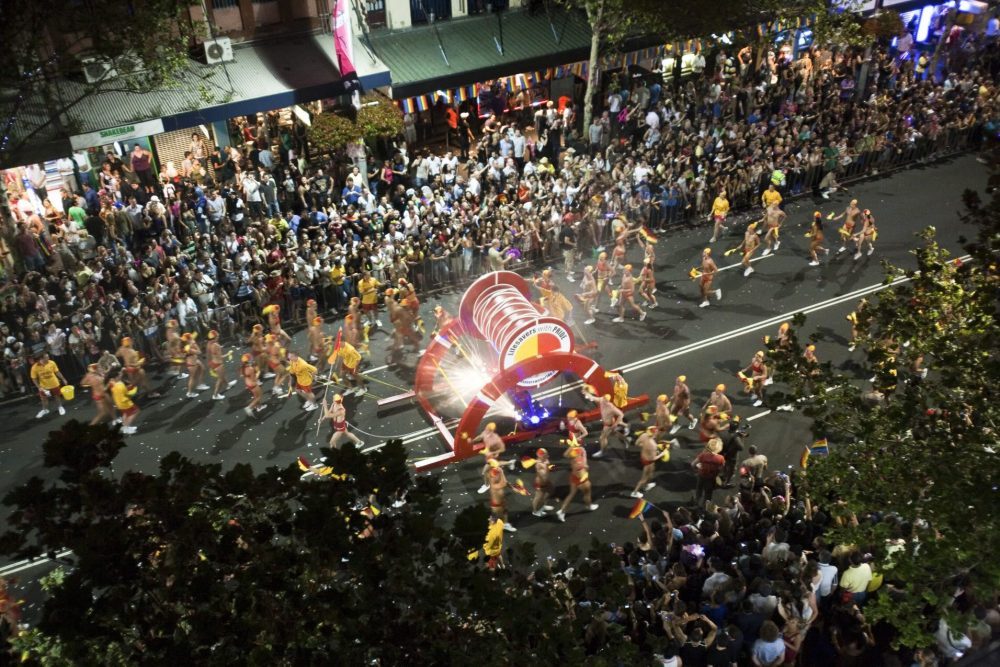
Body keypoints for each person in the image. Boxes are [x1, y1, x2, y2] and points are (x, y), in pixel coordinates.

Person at [555, 443, 598, 522]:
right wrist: (575, 448)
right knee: (587, 492)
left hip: (574, 477)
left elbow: (582, 462)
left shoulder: (577, 452)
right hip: (581, 479)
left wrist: (583, 454)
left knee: (571, 494)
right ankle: (589, 506)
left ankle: (562, 511)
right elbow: (566, 455)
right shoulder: (575, 456)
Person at [631, 426, 673, 498]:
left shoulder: (644, 435)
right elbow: (653, 459)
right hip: (648, 461)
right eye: (656, 432)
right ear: (654, 434)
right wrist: (662, 454)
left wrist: (645, 446)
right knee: (644, 479)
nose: (657, 433)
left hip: (643, 456)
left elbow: (636, 443)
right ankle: (634, 492)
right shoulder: (653, 445)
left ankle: (647, 485)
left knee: (651, 472)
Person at [474, 422, 515, 493]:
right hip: (489, 456)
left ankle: (487, 485)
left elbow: (502, 449)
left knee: (485, 471)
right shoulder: (485, 433)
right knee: (495, 466)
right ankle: (510, 463)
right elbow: (480, 437)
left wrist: (493, 453)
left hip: (493, 456)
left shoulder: (495, 439)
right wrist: (472, 441)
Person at [30, 352, 67, 419]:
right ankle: (45, 410)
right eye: (46, 357)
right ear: (41, 359)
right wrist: (39, 387)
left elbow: (57, 372)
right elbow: (34, 379)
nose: (48, 358)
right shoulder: (34, 367)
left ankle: (60, 407)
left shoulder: (52, 363)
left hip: (54, 384)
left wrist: (63, 379)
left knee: (57, 397)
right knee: (44, 399)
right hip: (44, 387)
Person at [205, 330, 236, 400]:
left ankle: (228, 385)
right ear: (215, 337)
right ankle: (215, 395)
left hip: (213, 362)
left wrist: (209, 363)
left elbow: (208, 354)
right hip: (218, 364)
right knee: (220, 379)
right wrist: (228, 354)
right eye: (217, 336)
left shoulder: (208, 344)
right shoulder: (216, 345)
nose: (218, 337)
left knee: (222, 376)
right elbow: (220, 357)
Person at [594, 393, 627, 458]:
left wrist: (616, 424)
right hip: (608, 423)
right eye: (603, 399)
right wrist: (586, 393)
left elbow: (621, 414)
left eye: (605, 400)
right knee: (614, 433)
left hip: (608, 425)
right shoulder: (601, 400)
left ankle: (602, 452)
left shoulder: (611, 408)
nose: (603, 400)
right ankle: (627, 440)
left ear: (607, 401)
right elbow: (594, 398)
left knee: (602, 438)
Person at [693, 437, 724, 505]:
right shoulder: (720, 458)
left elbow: (693, 464)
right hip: (711, 478)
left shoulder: (703, 455)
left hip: (701, 475)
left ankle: (696, 501)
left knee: (699, 489)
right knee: (708, 493)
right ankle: (704, 506)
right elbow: (721, 469)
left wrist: (698, 468)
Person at [487, 460, 516, 533]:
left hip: (501, 501)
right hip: (496, 505)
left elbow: (506, 483)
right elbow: (504, 483)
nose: (497, 476)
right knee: (497, 517)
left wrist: (512, 487)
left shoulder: (496, 476)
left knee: (505, 511)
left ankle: (505, 524)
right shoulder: (493, 484)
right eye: (496, 476)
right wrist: (502, 472)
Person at [108, 370, 140, 434]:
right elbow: (127, 393)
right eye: (119, 375)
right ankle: (126, 428)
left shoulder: (111, 384)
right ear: (116, 377)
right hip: (125, 403)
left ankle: (124, 427)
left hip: (119, 403)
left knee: (125, 414)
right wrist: (134, 389)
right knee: (136, 412)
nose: (120, 375)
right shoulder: (120, 385)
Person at [182, 333, 210, 399]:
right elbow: (199, 352)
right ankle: (189, 392)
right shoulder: (188, 348)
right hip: (191, 363)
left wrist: (193, 344)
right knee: (193, 378)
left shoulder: (188, 345)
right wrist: (194, 345)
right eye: (191, 338)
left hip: (195, 360)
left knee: (203, 369)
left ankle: (200, 384)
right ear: (188, 340)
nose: (192, 339)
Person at [530, 448, 556, 518]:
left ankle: (543, 505)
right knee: (538, 497)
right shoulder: (539, 464)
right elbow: (544, 475)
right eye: (546, 454)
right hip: (540, 484)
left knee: (551, 490)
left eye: (547, 454)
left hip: (546, 482)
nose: (548, 456)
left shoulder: (545, 460)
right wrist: (547, 466)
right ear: (541, 456)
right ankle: (535, 511)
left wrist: (548, 466)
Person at [241, 353, 266, 417]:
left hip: (247, 383)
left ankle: (258, 407)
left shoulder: (243, 368)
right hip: (253, 384)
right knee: (259, 396)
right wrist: (258, 372)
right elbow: (254, 379)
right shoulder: (250, 369)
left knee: (256, 396)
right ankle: (249, 407)